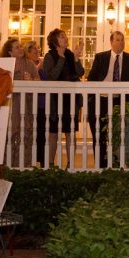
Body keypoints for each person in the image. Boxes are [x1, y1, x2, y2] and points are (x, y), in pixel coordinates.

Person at [86, 30, 129, 165]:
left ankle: (116, 164)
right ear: (111, 42)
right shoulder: (101, 57)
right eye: (117, 40)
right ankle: (101, 165)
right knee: (99, 135)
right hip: (102, 100)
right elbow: (91, 79)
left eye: (122, 40)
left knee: (118, 136)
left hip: (121, 102)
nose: (120, 42)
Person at [39, 29, 83, 168]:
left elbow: (80, 72)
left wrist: (76, 58)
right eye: (62, 37)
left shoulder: (71, 54)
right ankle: (51, 165)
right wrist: (61, 59)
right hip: (55, 100)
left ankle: (70, 165)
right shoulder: (49, 56)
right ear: (55, 41)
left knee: (70, 133)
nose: (65, 39)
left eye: (65, 36)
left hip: (71, 99)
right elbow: (50, 76)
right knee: (53, 133)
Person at [8, 39, 39, 168]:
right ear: (10, 52)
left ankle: (25, 166)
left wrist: (31, 80)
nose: (21, 49)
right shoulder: (5, 65)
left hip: (26, 105)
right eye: (17, 47)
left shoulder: (30, 64)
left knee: (26, 134)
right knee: (10, 135)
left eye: (21, 46)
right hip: (11, 106)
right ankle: (8, 165)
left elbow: (39, 81)